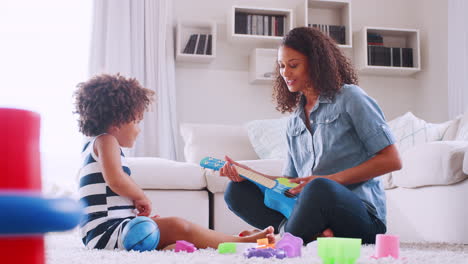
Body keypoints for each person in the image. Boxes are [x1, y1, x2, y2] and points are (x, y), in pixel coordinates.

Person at [221, 27, 402, 244]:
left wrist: (328, 180)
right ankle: (308, 234)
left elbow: (392, 160)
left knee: (319, 188)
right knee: (237, 191)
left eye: (293, 65)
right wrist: (252, 176)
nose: (285, 72)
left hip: (361, 216)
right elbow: (291, 182)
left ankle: (285, 238)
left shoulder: (350, 98)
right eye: (281, 66)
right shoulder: (295, 120)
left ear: (316, 63)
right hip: (311, 210)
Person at [74, 73, 274, 250]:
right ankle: (241, 243)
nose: (138, 129)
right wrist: (140, 196)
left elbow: (109, 200)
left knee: (165, 230)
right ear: (117, 122)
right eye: (136, 121)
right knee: (178, 226)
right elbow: (116, 180)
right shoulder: (106, 141)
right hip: (107, 233)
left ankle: (167, 246)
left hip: (109, 231)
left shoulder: (94, 146)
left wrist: (135, 219)